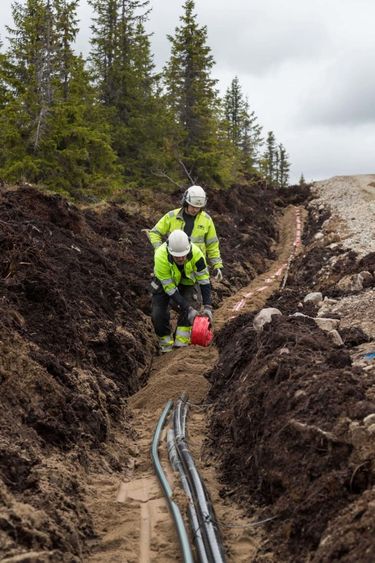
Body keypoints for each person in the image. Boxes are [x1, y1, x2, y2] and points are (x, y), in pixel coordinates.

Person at [151, 229, 213, 353]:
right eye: (177, 256)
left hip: (187, 282)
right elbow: (169, 289)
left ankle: (180, 346)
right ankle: (166, 347)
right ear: (170, 251)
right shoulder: (160, 256)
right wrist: (187, 308)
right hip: (164, 283)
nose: (181, 258)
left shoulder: (197, 255)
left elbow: (204, 281)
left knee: (191, 305)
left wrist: (208, 306)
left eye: (183, 255)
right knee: (158, 314)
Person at [148, 185, 223, 281]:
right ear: (185, 202)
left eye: (198, 207)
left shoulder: (207, 220)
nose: (195, 210)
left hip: (194, 267)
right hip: (172, 263)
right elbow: (155, 232)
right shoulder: (172, 216)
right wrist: (159, 250)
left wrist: (217, 265)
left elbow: (212, 245)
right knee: (159, 290)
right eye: (193, 206)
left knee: (193, 294)